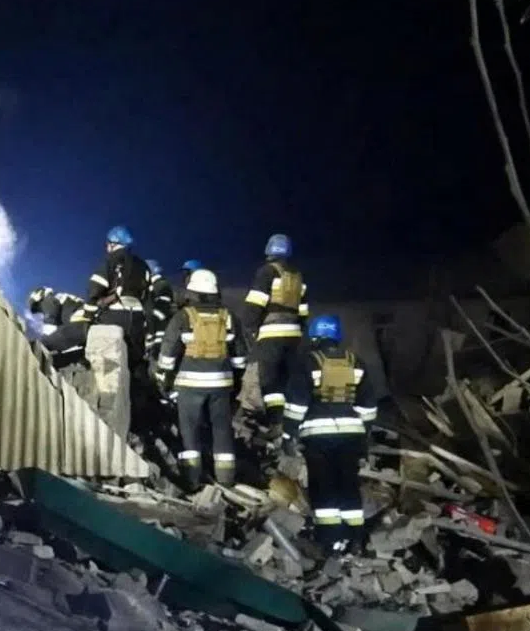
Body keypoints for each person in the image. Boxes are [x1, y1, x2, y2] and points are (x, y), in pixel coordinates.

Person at [283, 314, 377, 553]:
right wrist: (363, 434)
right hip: (352, 435)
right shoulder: (356, 362)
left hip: (317, 436)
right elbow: (368, 405)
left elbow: (296, 404)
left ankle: (330, 540)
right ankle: (355, 538)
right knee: (349, 484)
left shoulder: (308, 362)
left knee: (324, 486)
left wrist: (288, 434)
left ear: (314, 337)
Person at [155, 268, 247, 490]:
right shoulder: (229, 317)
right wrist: (234, 381)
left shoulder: (183, 317)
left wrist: (164, 379)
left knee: (189, 432)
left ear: (192, 292)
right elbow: (240, 356)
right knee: (222, 430)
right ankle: (226, 478)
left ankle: (192, 480)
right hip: (221, 385)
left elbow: (168, 352)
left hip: (190, 385)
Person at [242, 233, 308, 436]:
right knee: (286, 380)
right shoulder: (297, 276)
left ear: (268, 250)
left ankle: (274, 423)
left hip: (271, 336)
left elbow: (255, 303)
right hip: (294, 337)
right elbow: (303, 311)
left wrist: (249, 328)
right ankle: (289, 424)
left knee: (269, 382)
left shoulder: (266, 272)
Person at [84, 225, 151, 368]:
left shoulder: (112, 259)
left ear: (113, 243)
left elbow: (95, 288)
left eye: (107, 244)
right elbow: (148, 296)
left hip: (114, 316)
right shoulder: (143, 265)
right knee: (133, 362)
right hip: (138, 319)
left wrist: (88, 315)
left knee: (107, 361)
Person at [28, 286, 89, 366]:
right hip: (84, 326)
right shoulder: (62, 299)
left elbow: (51, 319)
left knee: (42, 343)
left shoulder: (47, 298)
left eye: (37, 307)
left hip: (80, 325)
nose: (40, 310)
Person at [145, 259, 175, 359]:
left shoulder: (162, 285)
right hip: (155, 336)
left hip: (159, 337)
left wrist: (146, 322)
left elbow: (161, 311)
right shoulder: (154, 286)